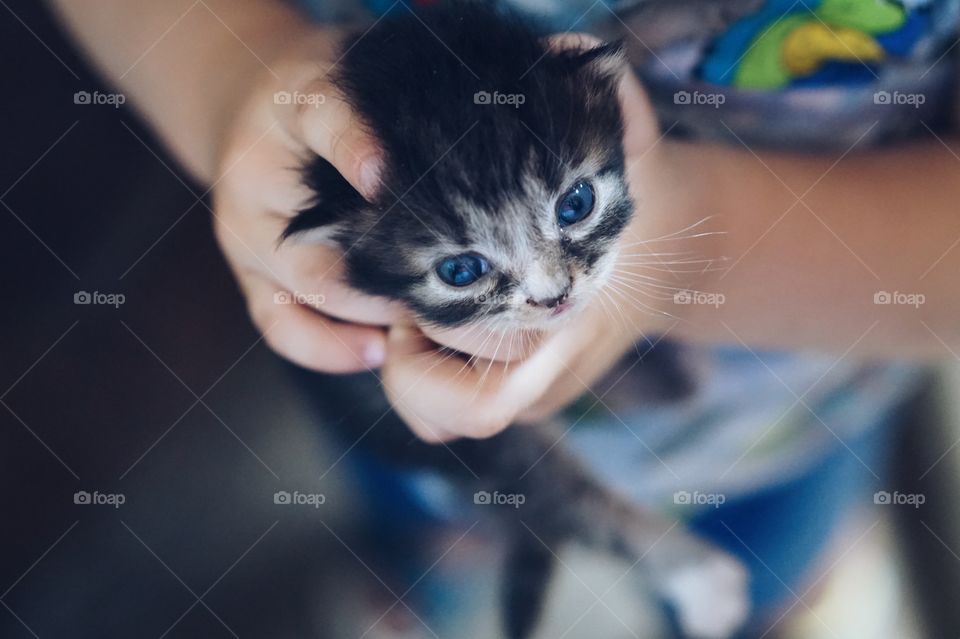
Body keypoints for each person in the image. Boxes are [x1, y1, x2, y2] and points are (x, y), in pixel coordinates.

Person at [49, 0, 959, 632]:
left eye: (570, 214)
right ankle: (426, 578)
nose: (550, 293)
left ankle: (774, 603)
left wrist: (690, 250)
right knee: (432, 514)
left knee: (770, 560)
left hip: (787, 421)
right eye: (467, 267)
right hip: (423, 427)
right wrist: (230, 80)